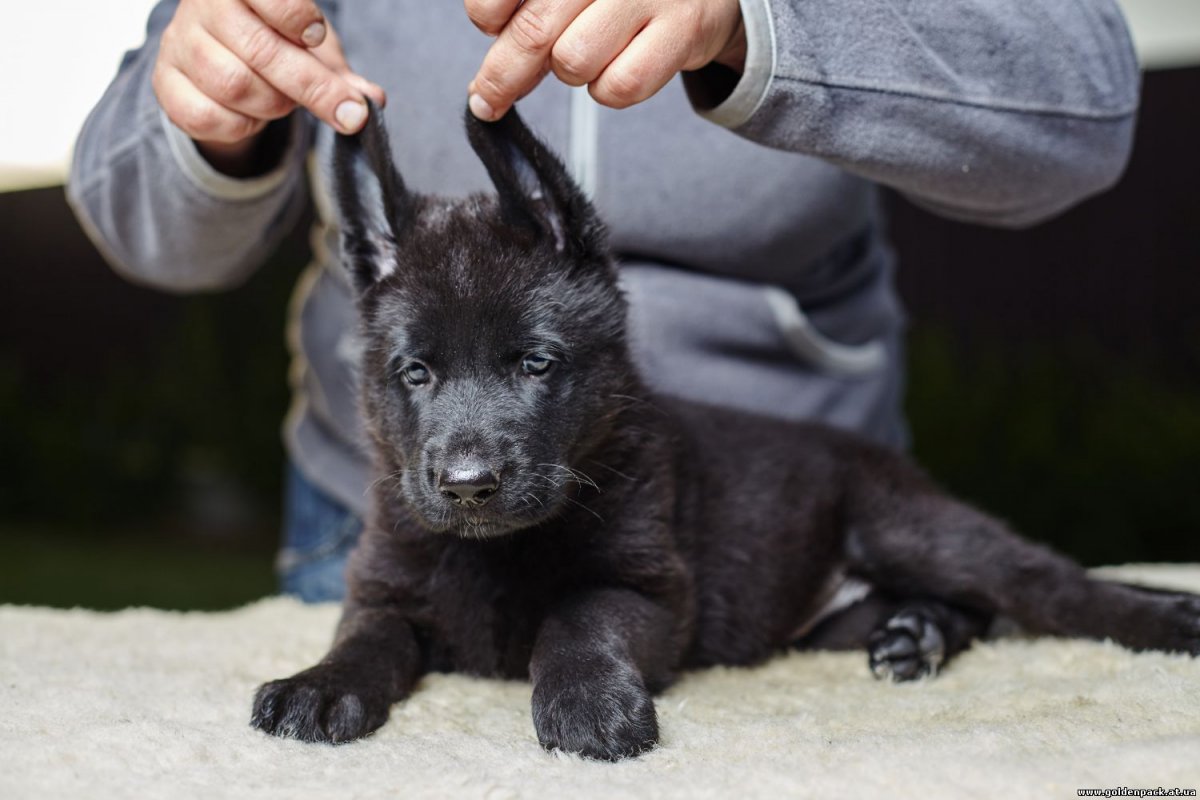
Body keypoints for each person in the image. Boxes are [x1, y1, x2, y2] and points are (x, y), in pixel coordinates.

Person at [68, 0, 1140, 602]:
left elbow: (1086, 109)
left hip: (787, 536)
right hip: (386, 532)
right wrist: (214, 114)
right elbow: (141, 225)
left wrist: (761, 25)